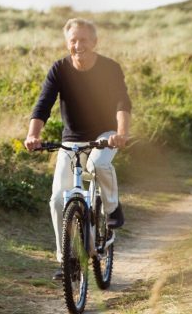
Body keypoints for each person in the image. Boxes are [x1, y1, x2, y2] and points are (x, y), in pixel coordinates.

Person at [23, 18, 132, 280]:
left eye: (83, 40)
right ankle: (67, 261)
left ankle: (112, 208)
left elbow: (121, 103)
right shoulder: (59, 69)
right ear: (67, 43)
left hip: (104, 135)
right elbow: (43, 105)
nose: (78, 45)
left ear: (94, 42)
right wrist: (32, 135)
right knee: (58, 200)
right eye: (73, 40)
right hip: (71, 140)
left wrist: (121, 134)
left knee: (98, 164)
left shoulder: (109, 68)